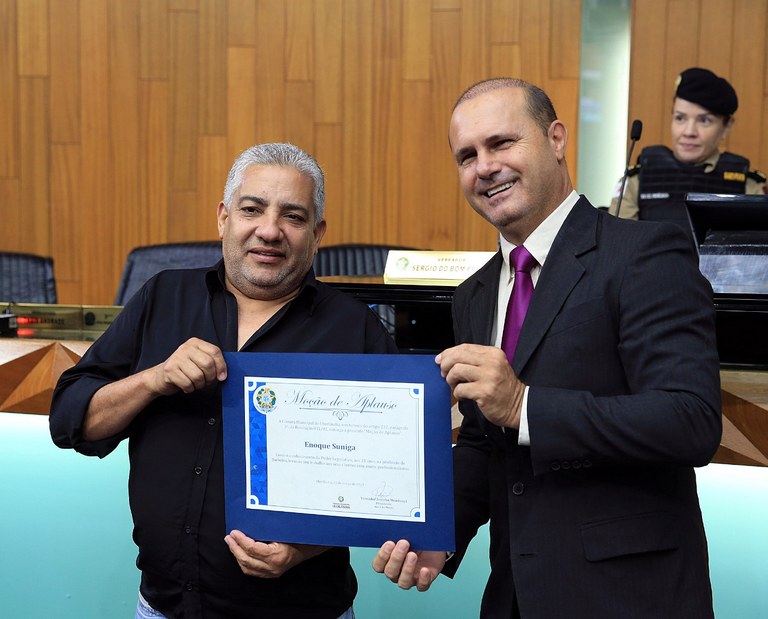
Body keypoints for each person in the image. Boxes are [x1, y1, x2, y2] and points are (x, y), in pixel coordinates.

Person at [373, 78, 722, 618]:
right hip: (515, 596)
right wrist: (440, 532)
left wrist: (524, 406)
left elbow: (690, 419)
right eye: (467, 156)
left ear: (556, 139)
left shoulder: (644, 253)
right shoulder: (474, 294)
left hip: (629, 597)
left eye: (501, 143)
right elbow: (484, 442)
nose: (485, 167)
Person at [50, 142, 398, 619]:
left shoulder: (354, 328)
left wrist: (304, 549)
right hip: (163, 608)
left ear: (317, 234)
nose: (269, 230)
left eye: (293, 217)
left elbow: (387, 482)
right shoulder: (162, 297)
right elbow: (70, 421)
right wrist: (153, 380)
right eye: (252, 209)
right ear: (223, 218)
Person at [610, 67, 766, 228]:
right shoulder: (636, 181)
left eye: (704, 121)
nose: (689, 132)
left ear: (727, 126)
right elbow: (618, 240)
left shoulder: (749, 187)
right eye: (680, 118)